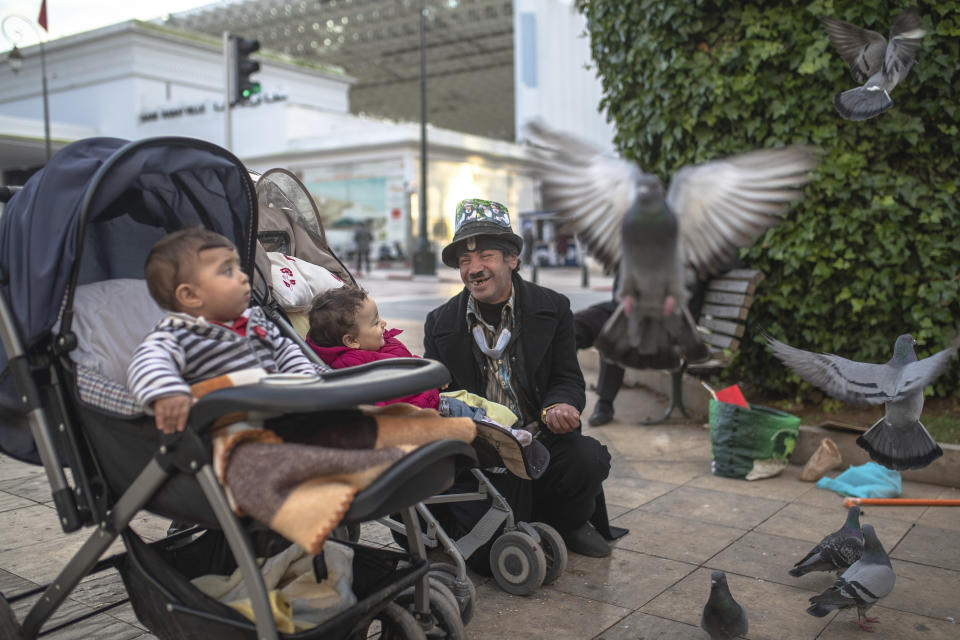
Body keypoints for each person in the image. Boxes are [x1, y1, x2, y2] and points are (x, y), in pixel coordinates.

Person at [424, 198, 626, 562]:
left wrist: (561, 404)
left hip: (542, 440)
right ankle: (515, 519)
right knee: (486, 557)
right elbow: (438, 394)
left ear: (512, 260)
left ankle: (572, 522)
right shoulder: (439, 323)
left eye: (485, 255)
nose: (474, 269)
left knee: (588, 458)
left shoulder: (553, 307)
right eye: (465, 261)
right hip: (481, 454)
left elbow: (567, 377)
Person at [127, 227, 325, 433]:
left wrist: (305, 380)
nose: (243, 277)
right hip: (229, 428)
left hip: (278, 413)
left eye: (238, 267)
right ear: (190, 295)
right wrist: (167, 392)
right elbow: (146, 361)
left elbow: (285, 351)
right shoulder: (176, 334)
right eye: (228, 271)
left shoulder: (257, 321)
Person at [304, 285, 529, 439]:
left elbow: (402, 364)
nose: (383, 323)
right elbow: (386, 396)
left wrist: (423, 371)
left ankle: (508, 424)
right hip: (419, 412)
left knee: (470, 401)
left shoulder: (373, 347)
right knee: (466, 411)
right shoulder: (353, 364)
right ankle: (504, 434)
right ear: (351, 340)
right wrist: (425, 383)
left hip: (425, 399)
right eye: (374, 323)